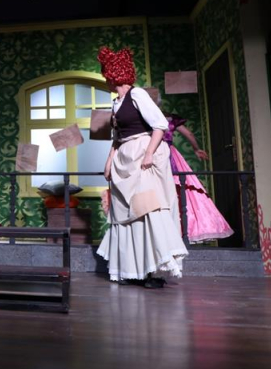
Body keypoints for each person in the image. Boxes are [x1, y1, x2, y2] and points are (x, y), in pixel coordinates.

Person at [95, 47, 188, 288]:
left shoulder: (137, 95)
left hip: (143, 156)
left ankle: (154, 272)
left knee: (147, 209)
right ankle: (131, 269)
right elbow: (117, 138)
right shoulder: (116, 104)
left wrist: (148, 153)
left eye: (106, 74)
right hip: (125, 158)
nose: (105, 79)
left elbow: (160, 125)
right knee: (125, 214)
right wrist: (109, 162)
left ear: (113, 74)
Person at [159, 105, 234, 243]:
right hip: (169, 153)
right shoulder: (169, 119)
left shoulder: (144, 117)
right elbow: (189, 134)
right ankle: (179, 230)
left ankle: (165, 232)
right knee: (180, 191)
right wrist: (196, 149)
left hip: (155, 154)